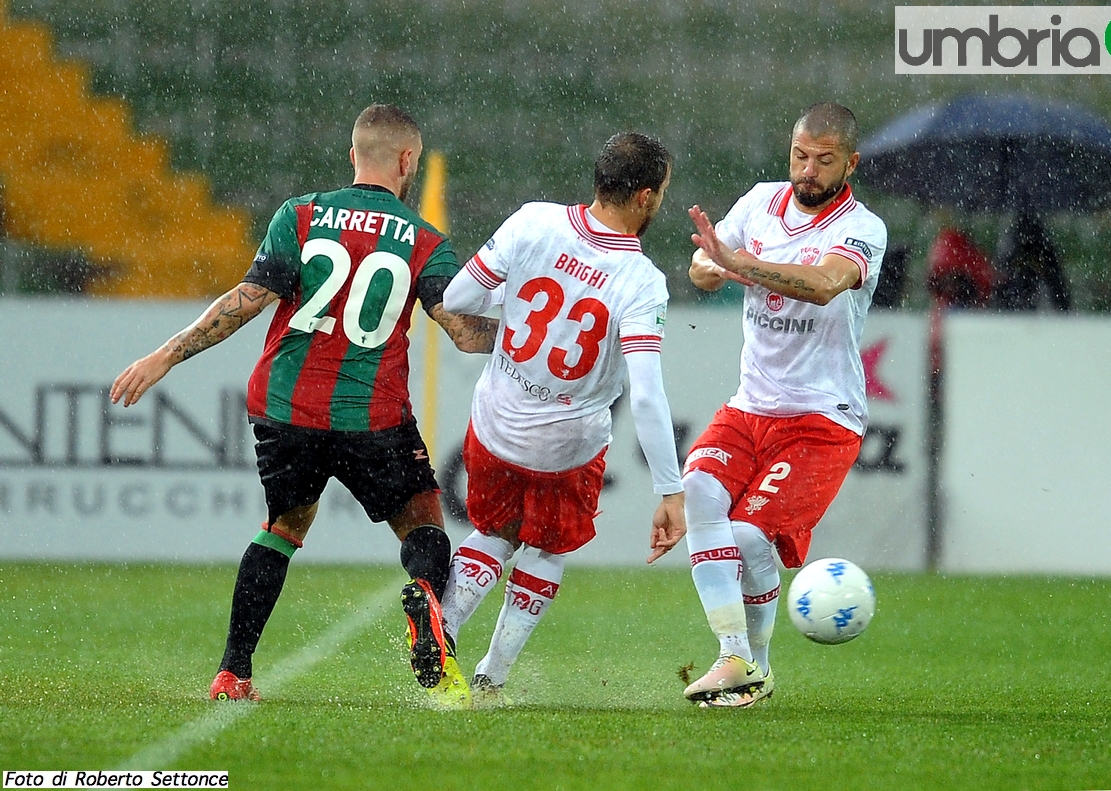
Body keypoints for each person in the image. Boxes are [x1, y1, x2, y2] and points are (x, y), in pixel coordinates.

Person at [109, 104, 498, 703]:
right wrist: (533, 327)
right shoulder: (426, 241)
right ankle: (425, 595)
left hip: (287, 407)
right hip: (372, 414)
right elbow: (467, 335)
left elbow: (246, 301)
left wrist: (165, 355)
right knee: (422, 521)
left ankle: (233, 672)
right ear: (408, 160)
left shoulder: (301, 215)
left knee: (284, 528)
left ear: (352, 156)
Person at [435, 132, 687, 708]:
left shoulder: (532, 222)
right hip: (566, 447)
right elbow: (645, 398)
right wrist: (671, 490)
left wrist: (519, 318)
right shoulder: (642, 282)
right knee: (546, 549)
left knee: (494, 531)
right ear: (646, 196)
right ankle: (491, 678)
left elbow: (458, 297)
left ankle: (443, 628)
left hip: (494, 426)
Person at [682, 103, 887, 707]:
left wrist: (739, 263)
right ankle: (735, 659)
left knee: (746, 538)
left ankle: (755, 666)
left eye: (824, 161)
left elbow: (824, 285)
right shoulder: (759, 201)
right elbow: (703, 268)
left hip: (823, 418)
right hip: (751, 406)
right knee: (696, 493)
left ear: (850, 163)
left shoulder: (862, 228)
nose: (808, 171)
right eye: (801, 156)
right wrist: (712, 267)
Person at [992, 210, 1070, 311]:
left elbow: (1003, 274)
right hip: (1022, 294)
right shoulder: (1043, 250)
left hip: (1018, 301)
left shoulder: (1017, 249)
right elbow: (1057, 283)